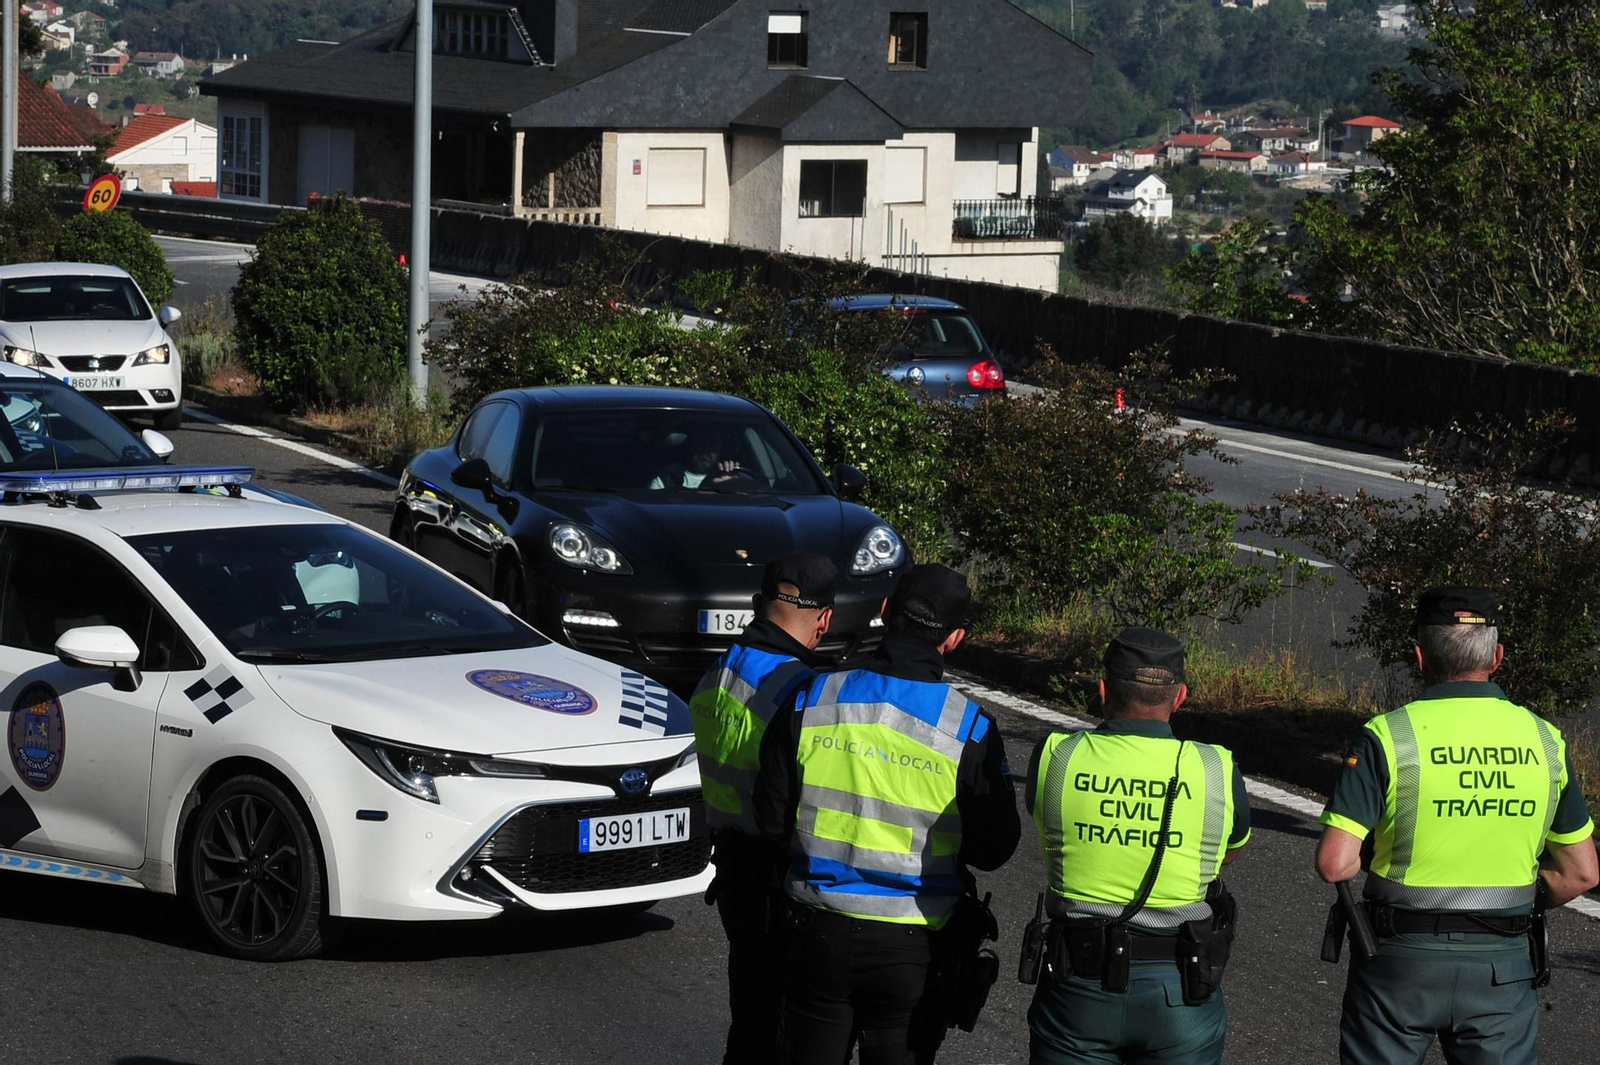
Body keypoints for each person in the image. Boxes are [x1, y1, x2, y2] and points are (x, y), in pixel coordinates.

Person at [1316, 586, 1598, 1065]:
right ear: (1498, 656)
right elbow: (1582, 874)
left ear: (1419, 656)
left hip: (1398, 963)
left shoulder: (1388, 734)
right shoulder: (1545, 741)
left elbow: (1334, 863)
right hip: (1502, 967)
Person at [755, 563, 1020, 1065]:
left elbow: (771, 820)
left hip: (817, 934)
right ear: (956, 639)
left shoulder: (812, 697)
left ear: (884, 612)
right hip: (913, 945)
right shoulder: (968, 727)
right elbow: (994, 849)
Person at [1024, 627, 1250, 1065]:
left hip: (1077, 987)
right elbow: (1229, 852)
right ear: (1179, 696)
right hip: (1180, 990)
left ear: (1102, 689)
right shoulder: (1215, 767)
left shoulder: (1057, 754)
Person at [689, 552, 838, 1065]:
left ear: (759, 603)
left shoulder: (718, 671)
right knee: (782, 1029)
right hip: (779, 878)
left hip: (732, 869)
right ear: (824, 620)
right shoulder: (798, 689)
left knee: (748, 1016)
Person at [650, 429, 740, 490]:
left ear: (719, 450)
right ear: (690, 447)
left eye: (712, 446)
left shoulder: (727, 477)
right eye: (701, 445)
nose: (706, 450)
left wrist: (733, 484)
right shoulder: (666, 480)